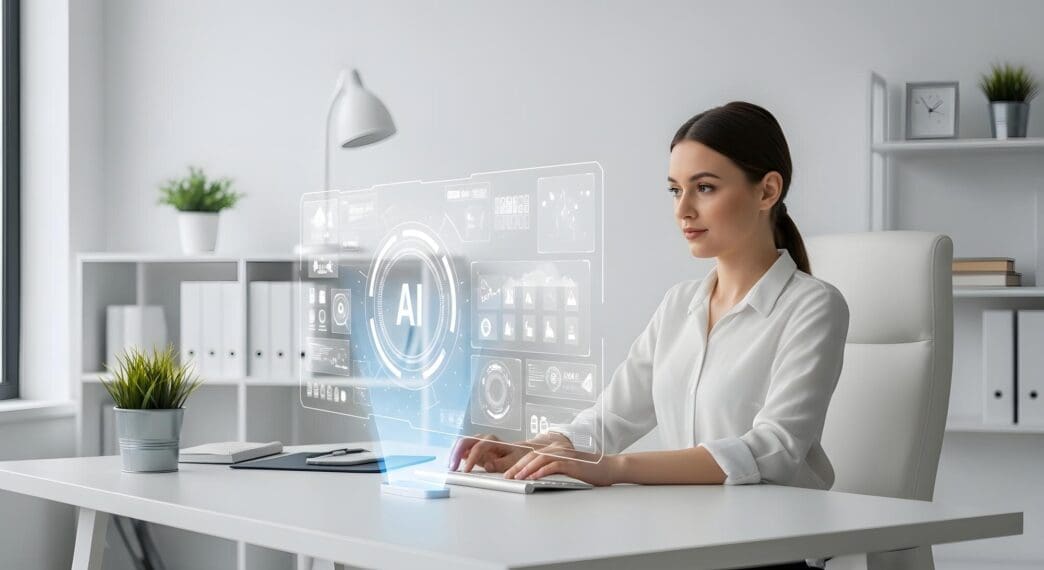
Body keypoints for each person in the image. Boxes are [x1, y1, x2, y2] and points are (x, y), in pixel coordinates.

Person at [449, 101, 850, 569]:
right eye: (675, 190)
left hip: (774, 552)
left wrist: (614, 469)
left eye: (705, 187)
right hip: (685, 543)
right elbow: (611, 419)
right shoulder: (680, 305)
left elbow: (774, 450)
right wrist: (531, 450)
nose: (683, 209)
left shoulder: (813, 306)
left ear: (767, 191)